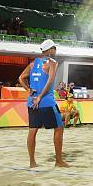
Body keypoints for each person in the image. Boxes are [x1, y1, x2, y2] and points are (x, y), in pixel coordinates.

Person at [17, 39, 68, 168]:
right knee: (59, 128)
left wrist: (28, 90)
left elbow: (20, 78)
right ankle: (58, 161)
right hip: (46, 102)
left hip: (31, 102)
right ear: (50, 49)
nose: (55, 50)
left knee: (32, 131)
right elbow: (50, 81)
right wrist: (40, 96)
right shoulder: (52, 62)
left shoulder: (33, 64)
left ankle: (32, 162)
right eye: (54, 48)